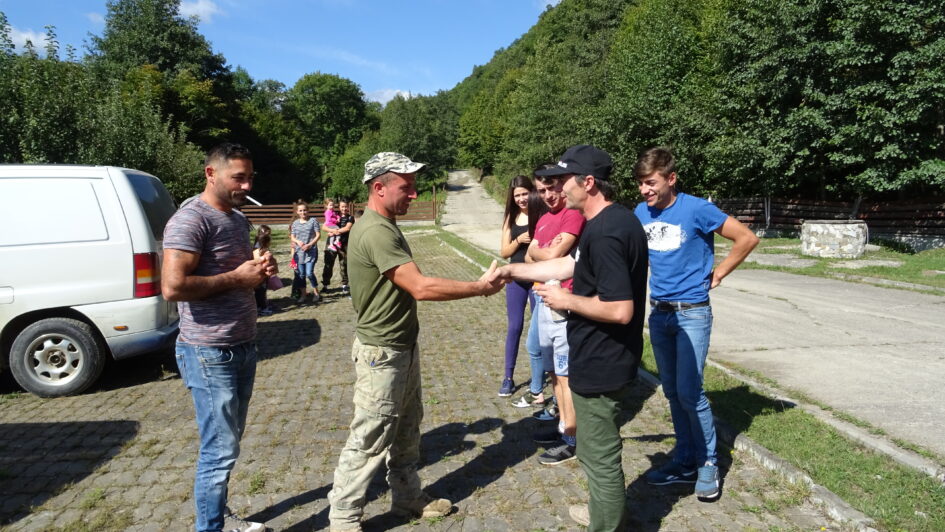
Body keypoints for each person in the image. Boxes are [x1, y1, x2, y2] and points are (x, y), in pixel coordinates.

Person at [327, 152, 503, 532]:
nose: (414, 194)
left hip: (401, 348)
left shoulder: (385, 225)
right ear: (379, 188)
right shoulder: (376, 231)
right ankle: (343, 520)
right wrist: (479, 287)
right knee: (369, 439)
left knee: (407, 431)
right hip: (382, 355)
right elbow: (420, 287)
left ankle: (407, 498)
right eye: (406, 187)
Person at [491, 145, 648, 531]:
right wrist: (513, 272)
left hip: (603, 358)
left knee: (598, 453)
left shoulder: (607, 232)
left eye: (563, 180)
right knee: (596, 449)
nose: (557, 188)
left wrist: (566, 300)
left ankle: (606, 523)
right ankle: (606, 512)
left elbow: (620, 309)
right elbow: (567, 265)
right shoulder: (609, 220)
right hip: (602, 354)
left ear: (588, 182)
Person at [161, 143, 275, 532]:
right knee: (220, 449)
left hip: (242, 345)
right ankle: (209, 527)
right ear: (211, 173)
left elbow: (239, 272)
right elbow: (173, 287)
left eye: (250, 178)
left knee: (228, 444)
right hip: (208, 352)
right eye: (238, 178)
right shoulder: (190, 220)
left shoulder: (238, 219)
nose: (246, 186)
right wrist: (237, 278)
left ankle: (220, 516)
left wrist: (260, 269)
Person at [634, 147, 759, 500]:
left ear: (671, 178)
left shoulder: (697, 209)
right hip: (659, 314)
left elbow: (747, 238)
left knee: (690, 392)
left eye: (651, 182)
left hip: (692, 313)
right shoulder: (641, 212)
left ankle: (708, 463)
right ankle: (685, 459)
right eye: (641, 184)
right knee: (672, 392)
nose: (644, 190)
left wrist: (719, 273)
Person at [527, 167, 586, 466]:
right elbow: (530, 257)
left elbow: (550, 256)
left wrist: (540, 250)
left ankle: (573, 439)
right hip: (542, 301)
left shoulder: (571, 214)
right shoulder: (543, 219)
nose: (548, 195)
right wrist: (541, 251)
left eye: (552, 188)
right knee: (552, 372)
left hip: (564, 307)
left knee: (565, 375)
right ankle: (563, 425)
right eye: (542, 190)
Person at [511, 188, 550, 409]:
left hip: (553, 293)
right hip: (539, 289)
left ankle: (556, 402)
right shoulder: (541, 225)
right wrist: (536, 252)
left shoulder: (550, 223)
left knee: (547, 348)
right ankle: (537, 392)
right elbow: (528, 257)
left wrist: (536, 253)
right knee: (534, 345)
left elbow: (552, 257)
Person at [497, 175, 535, 397]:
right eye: (517, 195)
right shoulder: (511, 218)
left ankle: (538, 378)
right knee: (514, 327)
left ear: (532, 192)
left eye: (524, 193)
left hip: (537, 278)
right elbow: (504, 252)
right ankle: (508, 378)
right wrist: (519, 241)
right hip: (516, 279)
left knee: (538, 331)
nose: (521, 199)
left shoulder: (541, 214)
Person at [290, 201, 321, 304]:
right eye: (301, 210)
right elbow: (292, 236)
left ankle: (316, 293)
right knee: (301, 274)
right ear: (297, 212)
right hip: (299, 253)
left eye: (305, 210)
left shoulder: (313, 221)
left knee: (309, 273)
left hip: (311, 251)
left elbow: (318, 235)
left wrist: (310, 244)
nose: (303, 212)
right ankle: (303, 295)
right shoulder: (295, 223)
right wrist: (297, 241)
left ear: (308, 211)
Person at [322, 199, 354, 295]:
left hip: (344, 244)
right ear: (339, 207)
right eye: (342, 206)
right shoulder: (333, 214)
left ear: (348, 207)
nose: (344, 208)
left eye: (346, 206)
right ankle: (325, 285)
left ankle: (344, 285)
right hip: (331, 244)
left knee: (344, 264)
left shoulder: (350, 217)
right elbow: (324, 227)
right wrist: (332, 231)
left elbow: (347, 228)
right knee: (328, 264)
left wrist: (335, 231)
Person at [252, 225, 276, 316]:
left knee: (259, 291)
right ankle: (263, 308)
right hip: (262, 273)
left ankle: (260, 306)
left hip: (259, 273)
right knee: (261, 291)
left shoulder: (256, 248)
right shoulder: (262, 250)